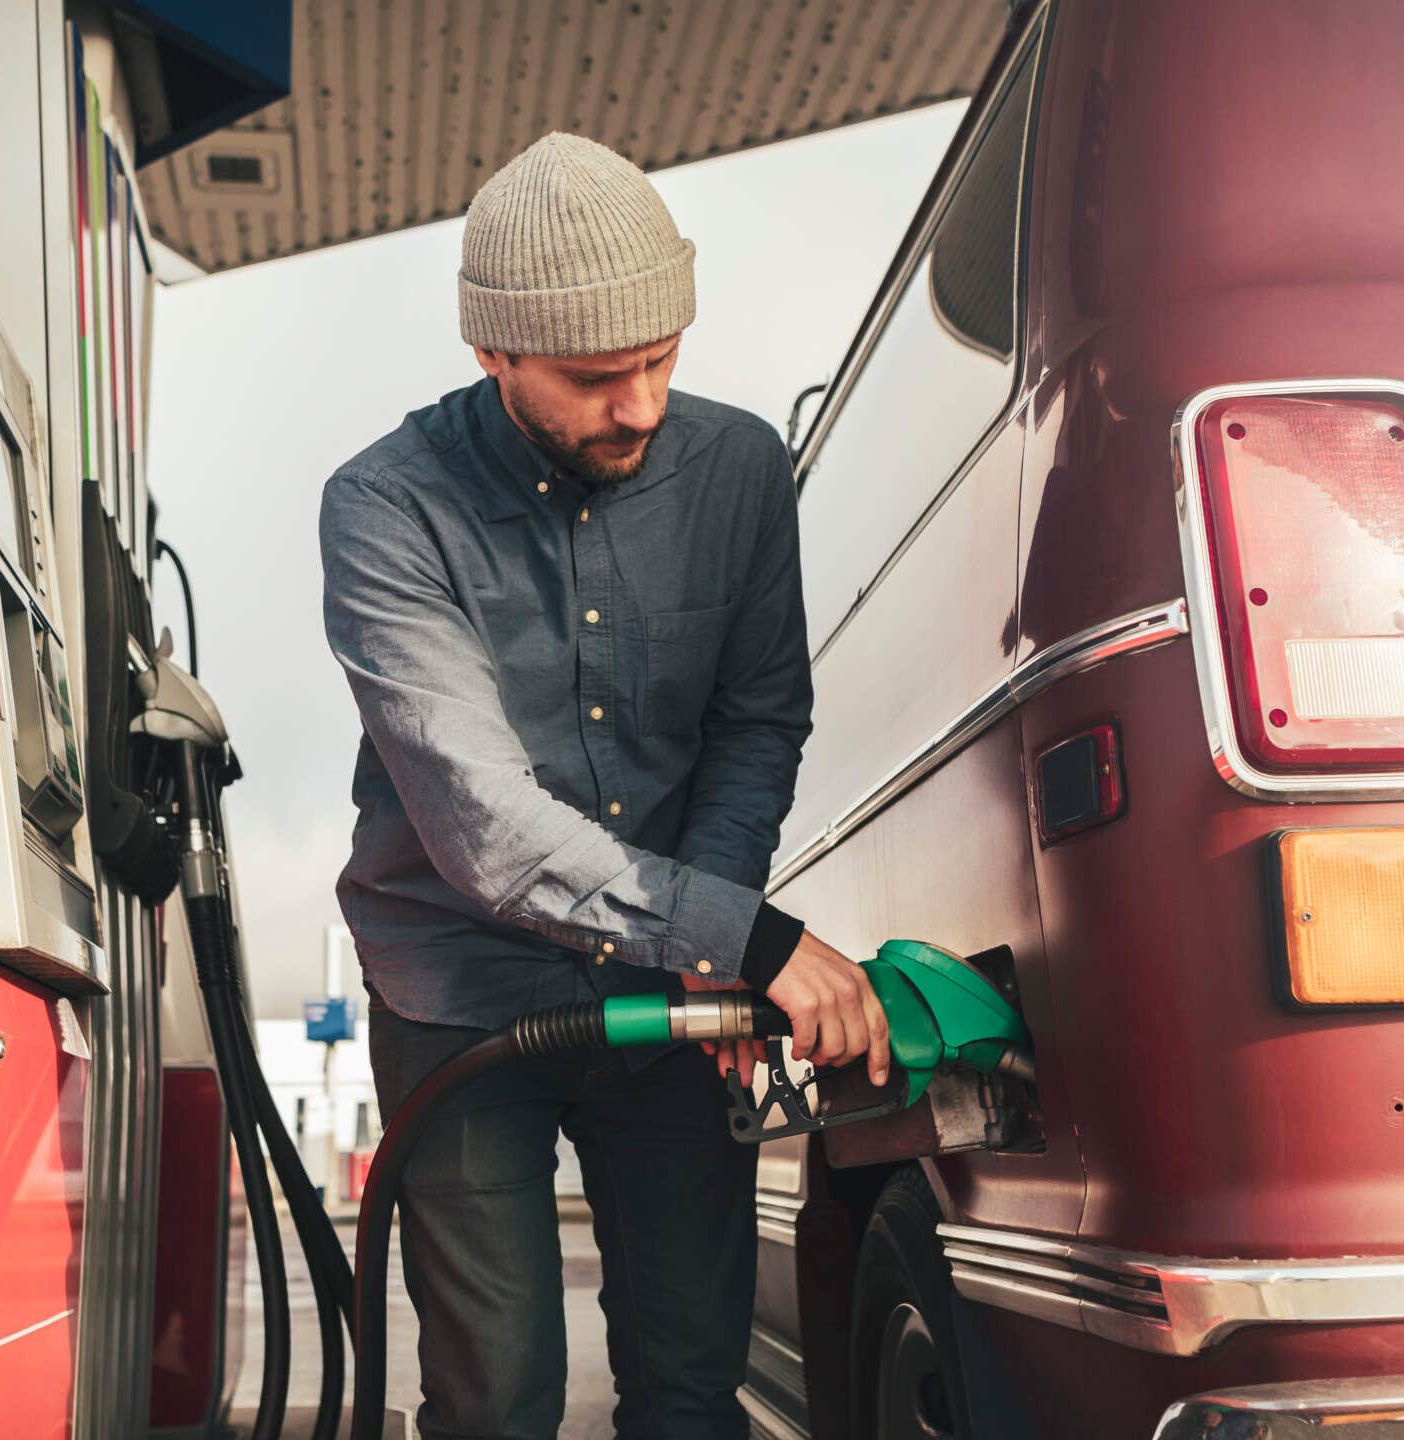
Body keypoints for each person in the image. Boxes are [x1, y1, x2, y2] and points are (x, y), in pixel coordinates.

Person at [318, 131, 891, 1439]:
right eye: (592, 378)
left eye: (661, 362)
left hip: (671, 1006)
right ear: (492, 353)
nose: (639, 406)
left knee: (694, 1383)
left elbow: (756, 722)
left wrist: (709, 954)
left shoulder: (739, 472)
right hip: (457, 994)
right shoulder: (384, 510)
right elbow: (480, 825)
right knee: (496, 1396)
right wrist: (743, 939)